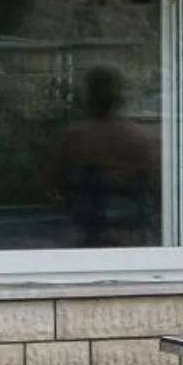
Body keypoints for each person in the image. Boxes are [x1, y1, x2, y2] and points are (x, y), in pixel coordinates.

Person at [52, 66, 158, 247]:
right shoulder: (140, 138)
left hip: (90, 237)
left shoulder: (74, 137)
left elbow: (49, 187)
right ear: (119, 98)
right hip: (130, 238)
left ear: (89, 96)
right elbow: (156, 189)